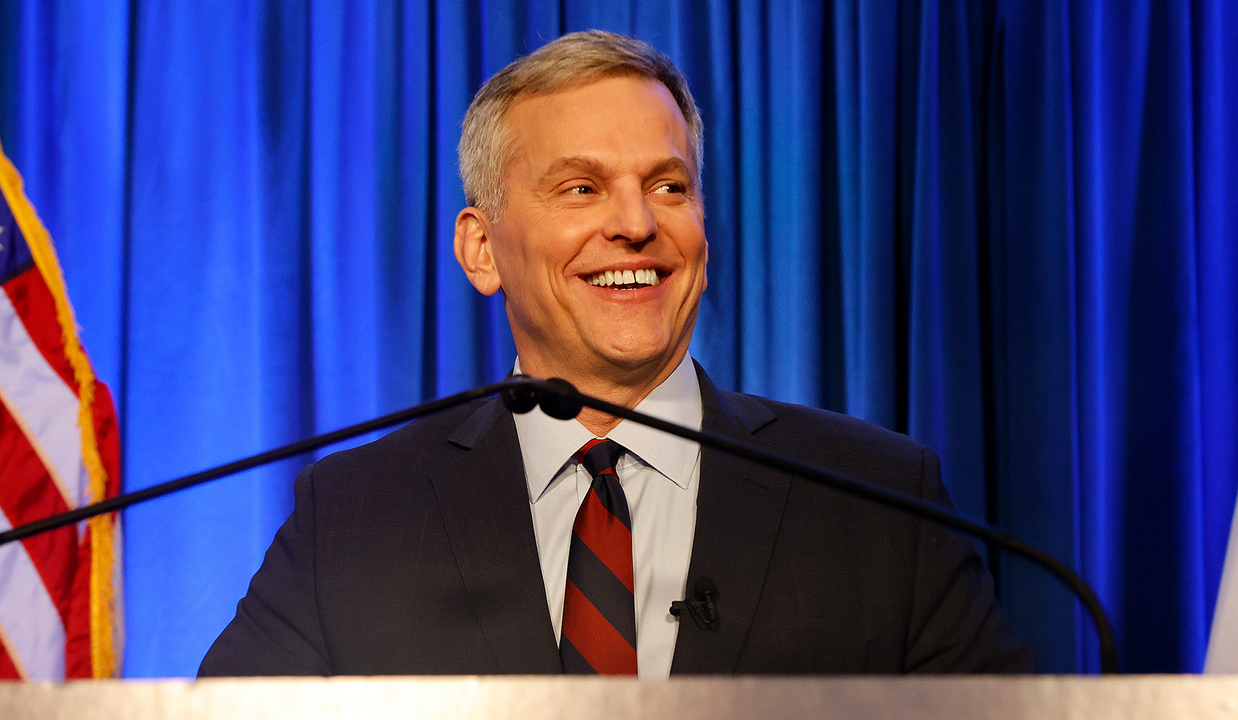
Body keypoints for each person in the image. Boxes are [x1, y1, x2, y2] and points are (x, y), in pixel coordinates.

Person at [199, 30, 1035, 677]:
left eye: (669, 186)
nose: (638, 223)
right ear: (482, 250)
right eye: (582, 188)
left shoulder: (883, 502)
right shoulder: (356, 513)